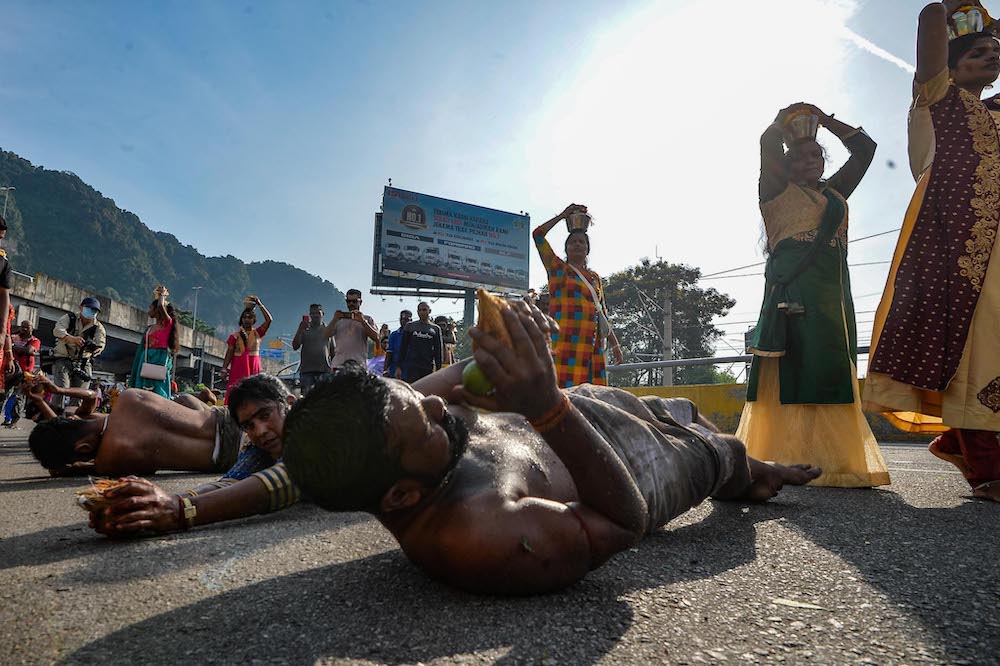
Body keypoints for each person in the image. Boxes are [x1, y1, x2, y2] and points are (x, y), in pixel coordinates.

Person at [282, 300, 820, 596]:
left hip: (577, 407)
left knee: (677, 408)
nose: (434, 405)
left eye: (414, 397)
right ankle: (753, 474)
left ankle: (757, 468)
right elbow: (621, 523)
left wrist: (513, 339)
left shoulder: (395, 417)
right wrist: (547, 408)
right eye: (423, 421)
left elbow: (457, 380)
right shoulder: (481, 537)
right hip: (626, 470)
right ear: (400, 497)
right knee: (721, 450)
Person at [864, 1, 1000, 501]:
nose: (992, 57)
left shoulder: (993, 113)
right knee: (972, 349)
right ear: (953, 61)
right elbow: (929, 21)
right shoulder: (939, 95)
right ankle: (986, 467)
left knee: (988, 349)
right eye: (979, 52)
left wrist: (989, 31)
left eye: (996, 52)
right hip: (952, 242)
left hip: (995, 246)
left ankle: (958, 443)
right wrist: (960, 10)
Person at [735, 103, 889, 488]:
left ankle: (834, 463)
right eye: (799, 157)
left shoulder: (835, 194)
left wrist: (825, 119)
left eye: (815, 155)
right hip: (794, 296)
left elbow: (866, 150)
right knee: (797, 370)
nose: (809, 161)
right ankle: (785, 458)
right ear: (785, 166)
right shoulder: (774, 192)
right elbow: (767, 143)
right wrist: (789, 117)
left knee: (832, 369)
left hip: (835, 298)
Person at [85, 374, 300, 535]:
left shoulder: (313, 427)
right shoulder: (260, 446)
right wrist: (146, 507)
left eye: (266, 415)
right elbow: (231, 482)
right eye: (249, 426)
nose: (260, 431)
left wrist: (178, 511)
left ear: (289, 404)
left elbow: (291, 476)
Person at [26, 374, 245, 478]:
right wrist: (55, 392)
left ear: (83, 450)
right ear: (73, 419)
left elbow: (65, 468)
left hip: (230, 457)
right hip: (235, 419)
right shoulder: (129, 398)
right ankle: (204, 398)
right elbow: (90, 398)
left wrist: (65, 468)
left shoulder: (110, 460)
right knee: (184, 402)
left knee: (183, 404)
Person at [533, 204, 624, 388]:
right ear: (566, 249)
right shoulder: (558, 269)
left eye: (581, 242)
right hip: (566, 344)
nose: (577, 245)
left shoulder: (595, 278)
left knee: (593, 400)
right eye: (572, 242)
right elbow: (538, 235)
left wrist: (615, 346)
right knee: (565, 396)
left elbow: (602, 313)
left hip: (592, 347)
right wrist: (563, 215)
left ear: (587, 250)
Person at [52, 296, 107, 410]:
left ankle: (72, 419)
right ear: (81, 308)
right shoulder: (69, 318)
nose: (91, 312)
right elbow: (57, 330)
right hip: (63, 358)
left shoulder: (98, 327)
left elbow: (101, 343)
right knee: (61, 389)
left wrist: (94, 349)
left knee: (80, 394)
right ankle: (54, 416)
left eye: (94, 311)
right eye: (89, 308)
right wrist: (72, 339)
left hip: (83, 362)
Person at [127, 286, 178, 399]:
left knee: (157, 392)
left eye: (151, 308)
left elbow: (160, 305)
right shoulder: (149, 328)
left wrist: (162, 295)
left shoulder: (167, 324)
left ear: (158, 310)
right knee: (141, 392)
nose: (148, 310)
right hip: (145, 359)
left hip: (158, 360)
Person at [221, 296, 273, 404]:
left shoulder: (258, 333)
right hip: (238, 366)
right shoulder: (234, 336)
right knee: (236, 392)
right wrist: (224, 369)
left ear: (254, 320)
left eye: (250, 317)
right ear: (241, 319)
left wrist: (260, 304)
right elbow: (229, 353)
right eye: (244, 317)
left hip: (253, 365)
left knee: (254, 392)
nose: (247, 320)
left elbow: (269, 320)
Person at [324, 289, 378, 369]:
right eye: (348, 301)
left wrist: (363, 322)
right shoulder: (339, 319)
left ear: (360, 302)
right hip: (338, 365)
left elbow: (376, 337)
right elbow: (325, 335)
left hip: (358, 365)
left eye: (354, 301)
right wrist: (334, 320)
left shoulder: (367, 319)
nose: (351, 304)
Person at [4, 320, 40, 427]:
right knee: (5, 394)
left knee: (18, 397)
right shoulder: (14, 337)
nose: (24, 329)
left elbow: (29, 351)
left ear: (31, 329)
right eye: (23, 327)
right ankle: (7, 419)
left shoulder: (35, 340)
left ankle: (14, 421)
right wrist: (18, 348)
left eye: (27, 327)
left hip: (25, 373)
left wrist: (12, 346)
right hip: (11, 370)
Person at [396, 301, 443, 383]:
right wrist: (399, 367)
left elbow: (438, 350)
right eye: (420, 310)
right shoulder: (410, 326)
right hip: (412, 366)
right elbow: (403, 348)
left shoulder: (435, 329)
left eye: (424, 310)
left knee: (426, 390)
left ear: (429, 311)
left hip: (428, 366)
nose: (422, 312)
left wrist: (439, 369)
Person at [292, 303, 334, 396]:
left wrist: (334, 369)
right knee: (307, 399)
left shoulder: (328, 329)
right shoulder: (305, 329)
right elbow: (295, 346)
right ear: (309, 315)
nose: (315, 315)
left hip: (324, 370)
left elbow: (333, 351)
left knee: (323, 399)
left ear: (322, 314)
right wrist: (299, 330)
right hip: (307, 371)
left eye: (317, 313)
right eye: (312, 313)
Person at [383, 309, 412, 378]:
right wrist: (385, 370)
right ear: (400, 320)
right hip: (395, 370)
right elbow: (389, 353)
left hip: (410, 370)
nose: (405, 322)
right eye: (403, 319)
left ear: (411, 320)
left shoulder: (414, 335)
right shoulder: (394, 335)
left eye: (407, 319)